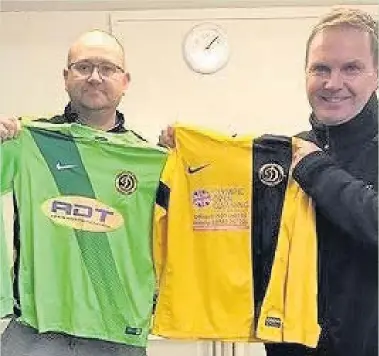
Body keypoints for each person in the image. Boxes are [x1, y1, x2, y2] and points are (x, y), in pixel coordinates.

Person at [158, 7, 378, 356]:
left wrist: (315, 169)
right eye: (320, 68)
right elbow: (245, 240)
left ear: (376, 74)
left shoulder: (305, 160)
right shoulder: (286, 153)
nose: (332, 83)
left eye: (350, 68)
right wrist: (190, 165)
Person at [0, 30, 151, 356]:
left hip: (116, 332)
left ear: (125, 81)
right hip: (36, 332)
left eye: (107, 68)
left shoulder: (148, 158)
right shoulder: (27, 140)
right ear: (66, 77)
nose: (95, 77)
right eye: (83, 67)